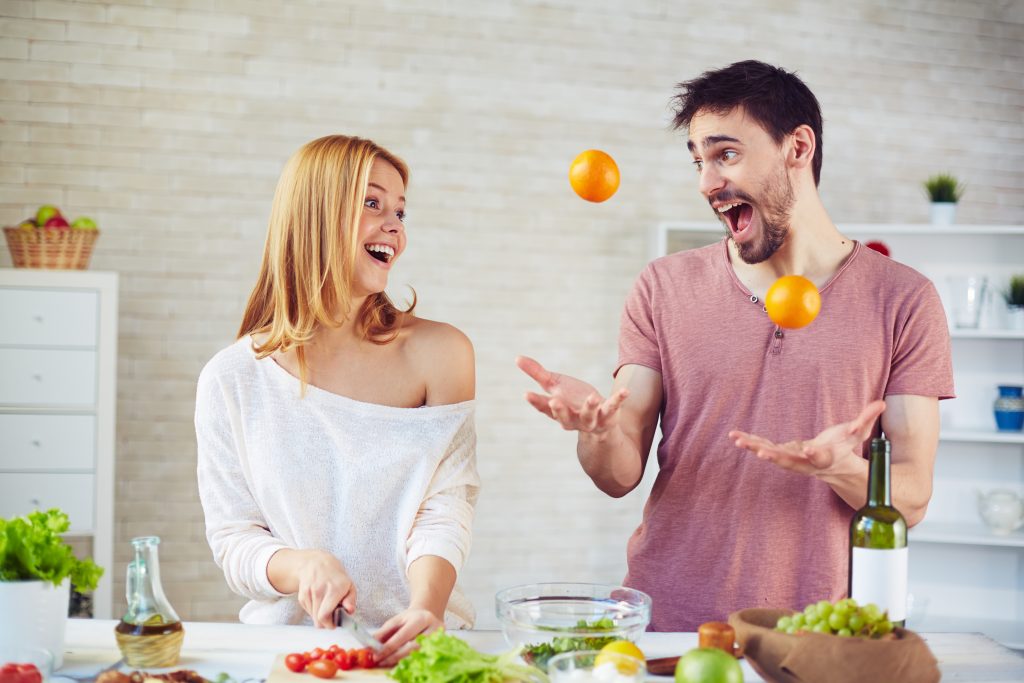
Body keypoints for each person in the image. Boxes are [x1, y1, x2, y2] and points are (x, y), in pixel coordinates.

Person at [518, 60, 954, 631]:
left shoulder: (903, 300)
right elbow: (619, 474)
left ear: (797, 147)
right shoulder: (663, 286)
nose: (706, 182)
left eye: (726, 154)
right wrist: (598, 433)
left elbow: (913, 498)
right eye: (698, 161)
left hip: (815, 637)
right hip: (667, 627)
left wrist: (842, 469)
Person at [196, 135, 479, 664]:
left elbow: (446, 506)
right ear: (314, 216)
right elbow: (234, 538)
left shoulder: (442, 354)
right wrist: (300, 565)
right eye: (372, 203)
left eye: (399, 210)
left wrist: (427, 608)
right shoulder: (231, 379)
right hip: (293, 655)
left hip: (424, 650)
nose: (395, 226)